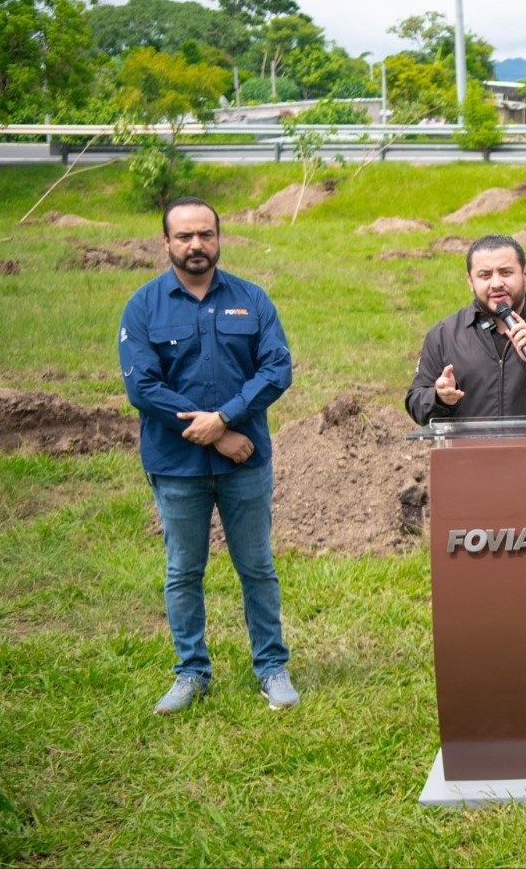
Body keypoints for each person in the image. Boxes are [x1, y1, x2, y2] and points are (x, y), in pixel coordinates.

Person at [119, 197, 298, 715]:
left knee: (257, 567)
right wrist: (216, 432)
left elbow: (276, 370)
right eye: (184, 237)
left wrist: (226, 418)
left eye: (205, 235)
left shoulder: (253, 299)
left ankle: (271, 667)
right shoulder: (144, 305)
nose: (196, 245)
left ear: (219, 238)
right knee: (183, 570)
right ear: (166, 243)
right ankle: (191, 672)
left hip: (246, 463)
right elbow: (143, 387)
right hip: (177, 466)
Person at [406, 232, 526, 436]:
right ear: (470, 281)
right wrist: (439, 397)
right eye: (485, 275)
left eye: (506, 272)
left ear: (525, 274)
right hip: (469, 464)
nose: (496, 283)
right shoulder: (444, 335)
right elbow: (416, 404)